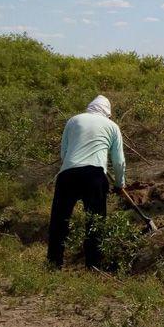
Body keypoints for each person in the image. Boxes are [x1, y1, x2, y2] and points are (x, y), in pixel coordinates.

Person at [47, 95, 125, 269]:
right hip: (95, 176)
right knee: (95, 221)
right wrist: (120, 184)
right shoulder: (112, 126)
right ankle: (93, 265)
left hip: (68, 174)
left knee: (59, 220)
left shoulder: (73, 121)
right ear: (107, 113)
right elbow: (119, 162)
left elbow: (64, 153)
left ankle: (54, 263)